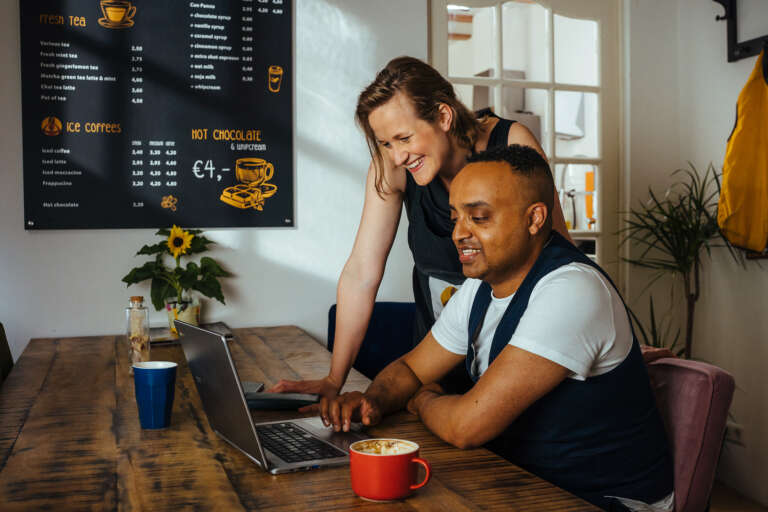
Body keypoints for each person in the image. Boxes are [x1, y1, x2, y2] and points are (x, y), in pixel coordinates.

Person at [322, 145, 674, 512]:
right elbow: (412, 369)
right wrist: (373, 401)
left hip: (602, 498)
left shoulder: (572, 290)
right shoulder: (480, 285)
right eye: (456, 217)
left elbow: (466, 427)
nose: (459, 233)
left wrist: (424, 399)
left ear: (535, 219)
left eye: (479, 217)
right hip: (521, 481)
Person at [269, 56, 572, 401]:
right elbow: (361, 273)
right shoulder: (394, 167)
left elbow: (560, 257)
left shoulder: (511, 142)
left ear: (444, 116)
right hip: (435, 372)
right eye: (386, 143)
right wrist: (333, 381)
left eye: (403, 138)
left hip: (512, 367)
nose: (397, 156)